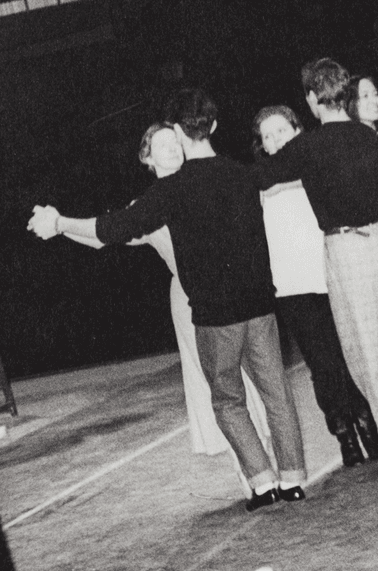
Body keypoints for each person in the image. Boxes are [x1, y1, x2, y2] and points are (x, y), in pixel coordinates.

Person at [29, 90, 308, 511]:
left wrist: (59, 221)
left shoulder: (171, 191)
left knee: (228, 400)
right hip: (259, 307)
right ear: (214, 126)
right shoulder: (243, 173)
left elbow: (112, 229)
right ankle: (292, 480)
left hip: (215, 317)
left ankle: (262, 482)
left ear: (178, 131)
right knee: (277, 395)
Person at [254, 58, 378, 472]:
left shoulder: (307, 147)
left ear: (311, 98)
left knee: (367, 354)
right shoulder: (366, 135)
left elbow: (262, 176)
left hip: (348, 247)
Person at [52, 123, 267, 460]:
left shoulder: (206, 180)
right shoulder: (148, 204)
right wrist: (59, 225)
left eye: (174, 140)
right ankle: (248, 463)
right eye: (161, 144)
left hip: (234, 290)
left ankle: (263, 450)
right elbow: (104, 236)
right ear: (146, 158)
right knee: (215, 381)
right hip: (191, 299)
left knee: (251, 373)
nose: (172, 147)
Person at [253, 106, 378, 466]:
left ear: (298, 131)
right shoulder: (261, 185)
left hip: (333, 275)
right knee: (322, 366)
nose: (276, 139)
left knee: (351, 354)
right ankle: (344, 437)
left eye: (282, 130)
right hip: (293, 287)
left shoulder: (318, 167)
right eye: (268, 135)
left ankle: (370, 425)